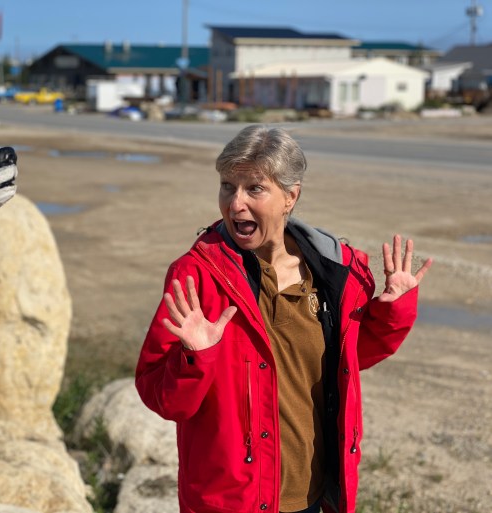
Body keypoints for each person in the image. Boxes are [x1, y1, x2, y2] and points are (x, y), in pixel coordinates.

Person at [135, 125, 432, 513]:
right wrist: (195, 358)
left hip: (312, 495)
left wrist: (393, 309)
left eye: (254, 189)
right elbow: (162, 396)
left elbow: (349, 358)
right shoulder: (197, 276)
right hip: (231, 500)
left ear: (291, 196)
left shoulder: (335, 270)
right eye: (227, 186)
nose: (235, 203)